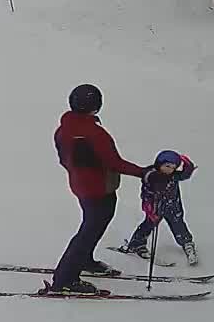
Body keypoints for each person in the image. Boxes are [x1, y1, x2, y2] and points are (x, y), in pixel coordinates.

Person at [45, 84, 149, 295]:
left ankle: (84, 260)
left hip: (80, 187)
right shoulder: (95, 134)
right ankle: (65, 279)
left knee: (90, 225)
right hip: (101, 189)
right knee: (89, 231)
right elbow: (114, 163)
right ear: (97, 106)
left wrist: (80, 174)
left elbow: (63, 160)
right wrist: (144, 173)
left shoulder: (62, 131)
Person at [114, 151, 199, 266]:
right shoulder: (150, 174)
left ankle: (186, 242)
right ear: (159, 164)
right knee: (148, 225)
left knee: (178, 225)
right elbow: (147, 191)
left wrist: (188, 165)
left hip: (172, 207)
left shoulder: (172, 176)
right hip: (155, 209)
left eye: (173, 168)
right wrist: (149, 208)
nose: (170, 170)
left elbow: (184, 175)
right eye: (167, 166)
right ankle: (136, 244)